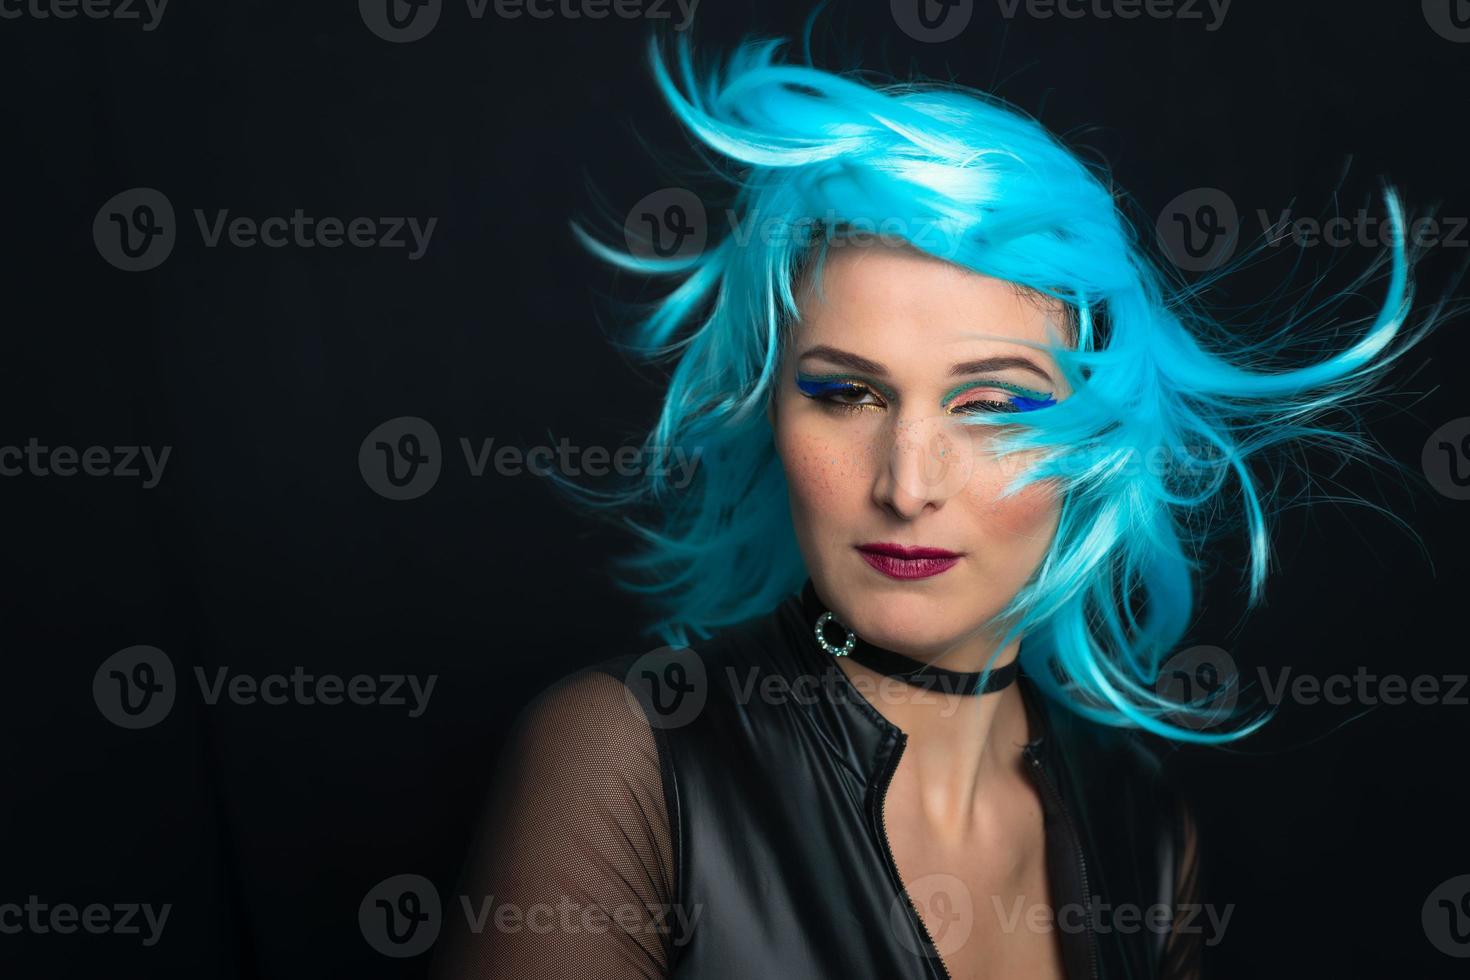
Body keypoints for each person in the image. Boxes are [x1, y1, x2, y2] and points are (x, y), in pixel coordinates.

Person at [436, 30, 1432, 980]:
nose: (906, 484)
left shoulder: (1145, 831)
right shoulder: (625, 759)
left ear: (1093, 442)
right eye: (847, 393)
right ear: (771, 412)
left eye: (993, 406)